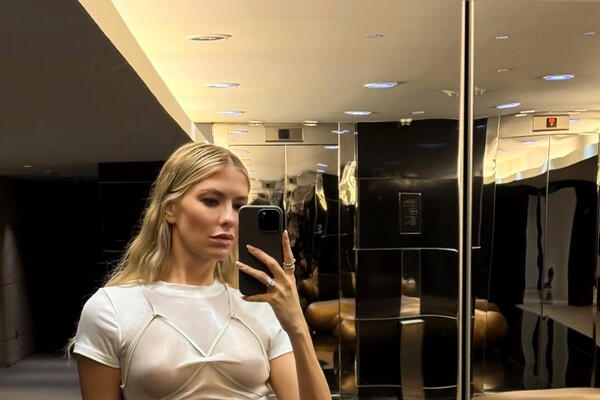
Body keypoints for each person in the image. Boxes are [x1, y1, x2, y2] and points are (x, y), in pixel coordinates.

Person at [67, 142, 331, 400]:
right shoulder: (112, 309)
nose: (229, 218)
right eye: (211, 201)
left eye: (239, 205)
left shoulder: (259, 306)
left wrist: (296, 323)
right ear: (170, 208)